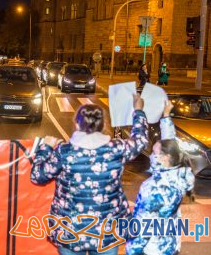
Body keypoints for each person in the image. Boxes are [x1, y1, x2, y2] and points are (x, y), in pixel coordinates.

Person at [31, 95, 150, 255]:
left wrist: (45, 147)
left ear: (77, 123)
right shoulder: (116, 149)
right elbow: (140, 140)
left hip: (70, 231)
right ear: (103, 125)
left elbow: (37, 175)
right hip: (106, 232)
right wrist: (138, 110)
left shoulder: (64, 152)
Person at [126, 101, 194, 255]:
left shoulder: (153, 187)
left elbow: (143, 228)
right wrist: (166, 116)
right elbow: (170, 144)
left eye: (155, 152)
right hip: (171, 245)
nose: (151, 155)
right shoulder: (181, 174)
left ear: (164, 158)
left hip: (152, 249)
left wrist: (132, 251)